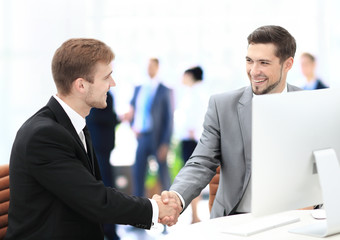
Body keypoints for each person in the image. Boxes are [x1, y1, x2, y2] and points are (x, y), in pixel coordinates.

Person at [5, 38, 180, 240]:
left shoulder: (72, 124)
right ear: (81, 85)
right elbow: (97, 200)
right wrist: (155, 209)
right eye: (107, 77)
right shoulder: (43, 135)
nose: (112, 84)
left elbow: (92, 194)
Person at [158, 25, 301, 222]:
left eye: (264, 63)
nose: (254, 71)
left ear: (288, 64)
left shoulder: (309, 104)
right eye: (249, 61)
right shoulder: (222, 106)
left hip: (295, 218)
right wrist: (177, 197)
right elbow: (201, 161)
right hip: (237, 219)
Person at [126, 58, 173, 198]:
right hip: (142, 135)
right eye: (147, 66)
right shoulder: (139, 88)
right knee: (138, 172)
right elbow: (132, 109)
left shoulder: (165, 90)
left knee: (163, 173)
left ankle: (169, 205)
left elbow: (169, 118)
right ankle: (138, 207)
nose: (149, 69)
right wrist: (133, 126)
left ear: (158, 67)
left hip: (157, 137)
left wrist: (165, 143)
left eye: (152, 66)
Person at [175, 66, 208, 223]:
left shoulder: (197, 94)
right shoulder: (191, 93)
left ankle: (195, 215)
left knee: (193, 178)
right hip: (189, 140)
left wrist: (192, 132)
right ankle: (194, 215)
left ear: (190, 76)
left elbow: (198, 118)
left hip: (192, 141)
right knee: (192, 178)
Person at [86, 90, 120, 239]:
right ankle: (108, 230)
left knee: (105, 187)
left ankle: (108, 229)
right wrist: (117, 117)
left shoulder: (103, 93)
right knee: (106, 188)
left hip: (102, 147)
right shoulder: (97, 94)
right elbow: (96, 116)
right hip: (99, 147)